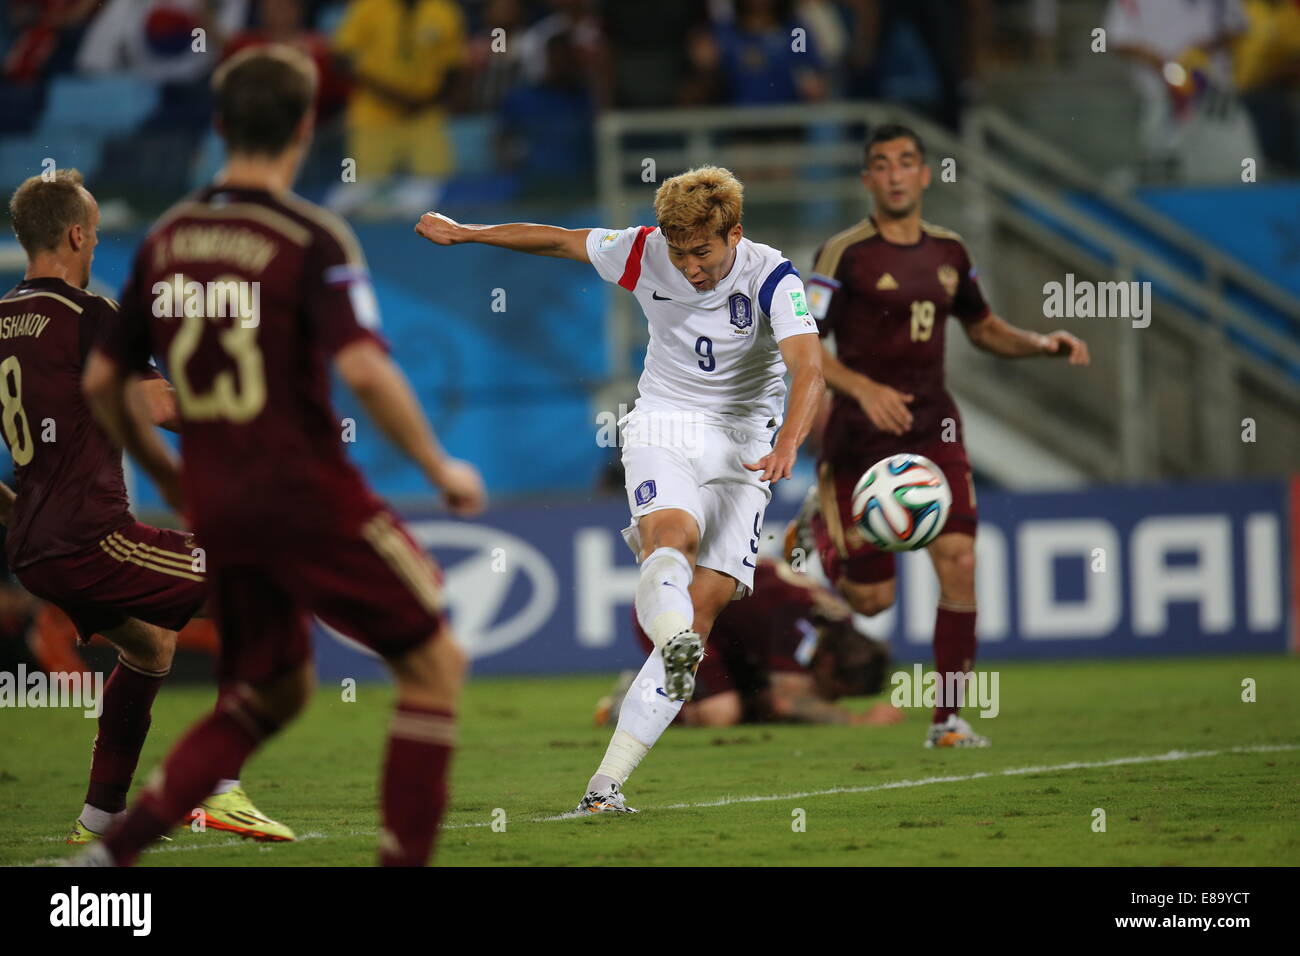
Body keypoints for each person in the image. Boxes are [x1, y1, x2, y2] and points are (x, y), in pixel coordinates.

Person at [78, 44, 485, 867]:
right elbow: (366, 367)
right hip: (306, 495)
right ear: (306, 127)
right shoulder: (312, 236)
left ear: (221, 125)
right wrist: (441, 467)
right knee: (434, 660)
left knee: (274, 690)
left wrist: (167, 477)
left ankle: (104, 860)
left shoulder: (167, 240)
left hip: (223, 508)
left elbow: (101, 382)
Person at [415, 165, 824, 812]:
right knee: (671, 537)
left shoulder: (773, 275)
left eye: (703, 252)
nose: (689, 267)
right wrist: (468, 233)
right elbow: (557, 240)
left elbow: (809, 365)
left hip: (747, 442)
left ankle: (606, 785)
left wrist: (789, 444)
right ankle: (669, 646)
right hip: (664, 420)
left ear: (734, 234)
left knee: (707, 604)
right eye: (680, 253)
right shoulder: (642, 249)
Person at [0, 169, 293, 844]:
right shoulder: (88, 316)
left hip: (32, 548)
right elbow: (161, 405)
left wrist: (17, 518)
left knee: (152, 645)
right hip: (91, 539)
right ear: (76, 234)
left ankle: (99, 819)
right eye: (95, 232)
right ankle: (222, 788)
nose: (97, 243)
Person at [795, 123, 1089, 748]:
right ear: (868, 178)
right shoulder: (842, 253)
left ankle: (947, 720)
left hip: (935, 430)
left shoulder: (951, 252)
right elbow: (805, 347)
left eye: (907, 162)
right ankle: (820, 523)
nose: (896, 174)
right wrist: (863, 388)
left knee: (958, 561)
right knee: (871, 601)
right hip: (860, 437)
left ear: (925, 174)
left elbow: (981, 328)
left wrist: (1040, 343)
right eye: (882, 163)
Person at [600, 558, 900, 728]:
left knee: (760, 700)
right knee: (721, 714)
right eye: (834, 692)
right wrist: (854, 720)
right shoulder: (796, 621)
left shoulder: (833, 625)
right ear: (829, 663)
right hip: (678, 613)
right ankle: (635, 698)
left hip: (723, 631)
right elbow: (784, 702)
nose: (831, 700)